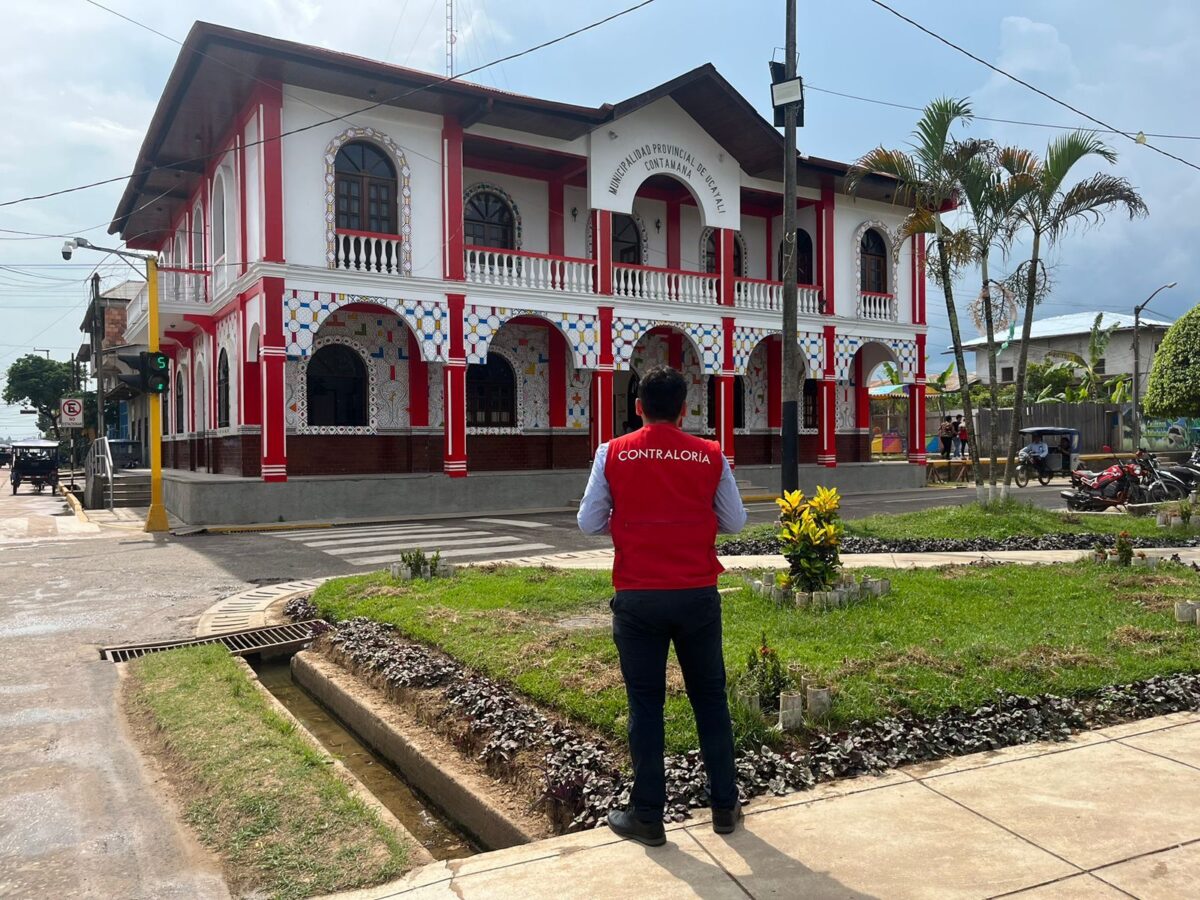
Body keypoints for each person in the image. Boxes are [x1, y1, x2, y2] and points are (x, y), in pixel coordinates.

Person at [577, 365, 747, 847]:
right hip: (697, 595)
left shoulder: (612, 452)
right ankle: (724, 806)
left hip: (638, 596)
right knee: (710, 699)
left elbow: (589, 523)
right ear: (684, 409)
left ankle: (648, 816)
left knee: (646, 705)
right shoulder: (710, 454)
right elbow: (734, 521)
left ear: (638, 408)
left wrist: (629, 520)